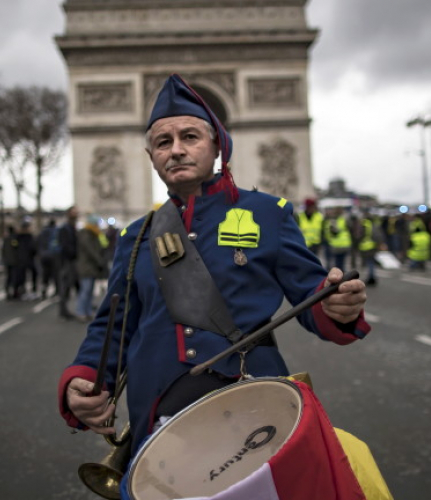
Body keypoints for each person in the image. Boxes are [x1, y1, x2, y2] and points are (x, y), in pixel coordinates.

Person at [57, 74, 370, 492]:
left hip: (253, 411)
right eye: (163, 142)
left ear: (218, 144)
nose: (177, 150)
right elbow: (112, 325)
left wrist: (335, 304)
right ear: (151, 156)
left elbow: (311, 293)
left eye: (190, 136)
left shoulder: (268, 214)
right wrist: (84, 380)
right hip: (160, 413)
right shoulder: (135, 237)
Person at [74, 214, 109, 321]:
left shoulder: (94, 234)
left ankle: (87, 311)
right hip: (87, 267)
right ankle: (81, 312)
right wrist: (100, 261)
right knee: (86, 290)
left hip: (91, 267)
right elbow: (92, 251)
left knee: (89, 291)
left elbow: (104, 245)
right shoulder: (87, 234)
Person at [58, 206, 79, 319]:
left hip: (71, 261)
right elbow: (65, 246)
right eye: (74, 213)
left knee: (73, 286)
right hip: (68, 261)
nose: (77, 215)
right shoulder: (66, 229)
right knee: (66, 286)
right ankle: (64, 310)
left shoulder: (71, 227)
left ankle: (76, 308)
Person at [37, 219, 60, 300]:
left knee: (45, 275)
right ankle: (57, 291)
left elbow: (37, 244)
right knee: (55, 275)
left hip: (43, 257)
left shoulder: (42, 233)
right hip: (54, 257)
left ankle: (44, 291)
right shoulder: (56, 232)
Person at [324, 206, 352, 271]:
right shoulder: (344, 220)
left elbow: (328, 233)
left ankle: (339, 276)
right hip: (344, 244)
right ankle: (341, 275)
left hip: (335, 244)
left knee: (337, 263)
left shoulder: (331, 221)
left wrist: (329, 240)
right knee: (342, 263)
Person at [1, 225, 18, 300]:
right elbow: (16, 249)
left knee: (8, 277)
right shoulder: (14, 239)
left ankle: (8, 292)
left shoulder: (5, 239)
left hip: (7, 261)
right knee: (14, 277)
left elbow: (3, 251)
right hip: (14, 261)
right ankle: (14, 292)